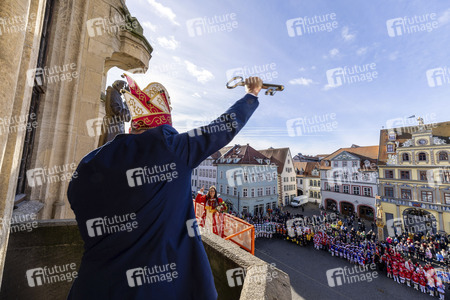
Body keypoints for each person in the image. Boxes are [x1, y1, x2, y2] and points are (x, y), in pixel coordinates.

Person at [67, 74, 263, 300]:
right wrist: (251, 92)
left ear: (132, 128)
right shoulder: (173, 149)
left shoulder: (90, 162)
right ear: (165, 125)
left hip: (94, 287)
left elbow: (75, 200)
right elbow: (223, 127)